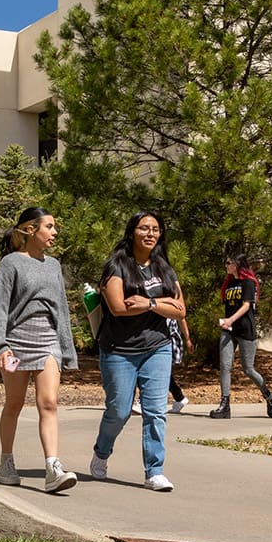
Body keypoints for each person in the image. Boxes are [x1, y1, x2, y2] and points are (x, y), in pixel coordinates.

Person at [90, 211, 185, 492]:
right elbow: (119, 307)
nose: (151, 234)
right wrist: (163, 300)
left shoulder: (164, 267)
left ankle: (154, 471)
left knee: (156, 411)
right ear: (132, 232)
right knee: (119, 411)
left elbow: (180, 310)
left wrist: (149, 304)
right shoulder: (117, 266)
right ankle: (101, 452)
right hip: (119, 350)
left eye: (156, 229)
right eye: (144, 228)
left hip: (157, 347)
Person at [0, 207, 78, 493]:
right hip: (16, 342)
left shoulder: (54, 266)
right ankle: (6, 462)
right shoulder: (11, 264)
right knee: (13, 404)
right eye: (49, 227)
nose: (54, 232)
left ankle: (52, 467)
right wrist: (0, 345)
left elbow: (61, 308)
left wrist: (66, 348)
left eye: (54, 227)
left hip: (47, 340)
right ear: (29, 230)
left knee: (48, 403)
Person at [210, 253, 272, 419]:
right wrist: (226, 322)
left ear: (237, 264)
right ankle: (225, 405)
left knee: (248, 369)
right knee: (225, 366)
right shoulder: (229, 283)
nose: (226, 265)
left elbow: (246, 306)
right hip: (229, 330)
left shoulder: (248, 282)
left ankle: (269, 396)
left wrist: (231, 320)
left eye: (228, 262)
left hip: (246, 330)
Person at [131, 315, 194, 415]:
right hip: (154, 340)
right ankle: (179, 397)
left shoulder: (167, 303)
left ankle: (143, 402)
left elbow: (181, 317)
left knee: (151, 370)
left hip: (165, 341)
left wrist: (187, 338)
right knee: (161, 372)